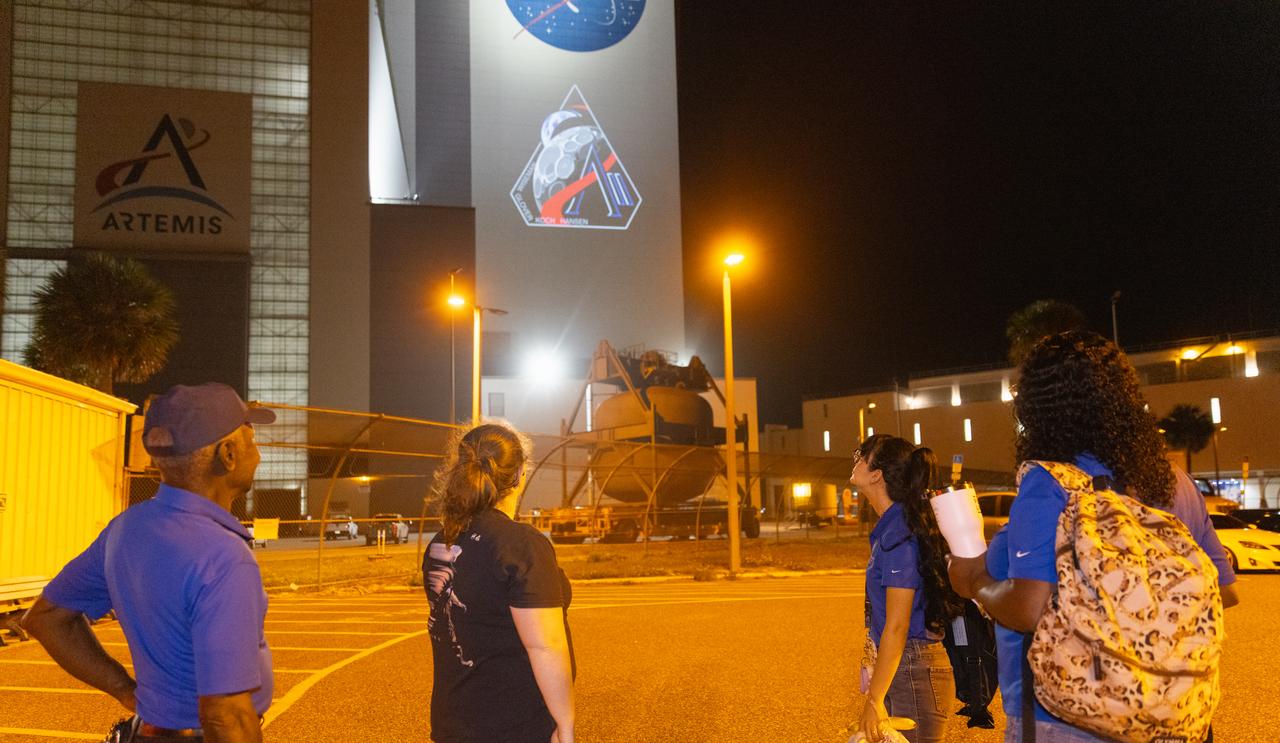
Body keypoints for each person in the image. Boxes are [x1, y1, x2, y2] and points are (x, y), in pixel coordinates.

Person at [948, 331, 1238, 742]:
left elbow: (1030, 608)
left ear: (1040, 407)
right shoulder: (1174, 483)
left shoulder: (1049, 483)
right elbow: (1223, 592)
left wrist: (974, 582)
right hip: (1171, 715)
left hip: (1068, 717)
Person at [21, 382, 276, 742]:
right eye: (251, 441)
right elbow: (226, 714)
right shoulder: (224, 557)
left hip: (148, 732)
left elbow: (46, 618)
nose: (259, 454)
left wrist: (128, 692)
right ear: (228, 454)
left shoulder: (126, 529)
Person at [424, 421, 575, 743]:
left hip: (453, 722)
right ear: (520, 474)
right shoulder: (520, 545)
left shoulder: (443, 542)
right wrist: (565, 722)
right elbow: (545, 646)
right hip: (512, 725)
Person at [852, 434, 963, 743]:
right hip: (904, 671)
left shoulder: (899, 533)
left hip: (913, 673)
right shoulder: (892, 527)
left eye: (861, 455)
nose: (855, 460)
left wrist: (874, 701)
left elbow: (898, 625)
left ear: (877, 475)